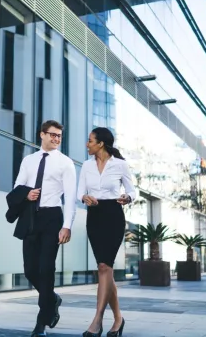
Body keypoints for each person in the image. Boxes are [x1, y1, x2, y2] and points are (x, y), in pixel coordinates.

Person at [13, 120, 77, 337]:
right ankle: (52, 299)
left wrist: (67, 226)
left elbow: (69, 198)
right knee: (30, 270)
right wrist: (26, 194)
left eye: (59, 135)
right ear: (42, 134)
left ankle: (41, 323)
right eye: (52, 135)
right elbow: (17, 187)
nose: (56, 139)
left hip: (52, 217)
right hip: (31, 217)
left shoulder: (65, 163)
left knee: (46, 268)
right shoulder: (29, 160)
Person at [78, 127, 137, 337]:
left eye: (90, 141)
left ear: (100, 143)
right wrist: (85, 197)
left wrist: (128, 198)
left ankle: (97, 320)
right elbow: (80, 191)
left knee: (105, 266)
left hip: (113, 214)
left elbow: (132, 190)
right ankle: (118, 319)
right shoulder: (86, 165)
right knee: (105, 270)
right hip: (94, 215)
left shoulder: (120, 164)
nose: (87, 144)